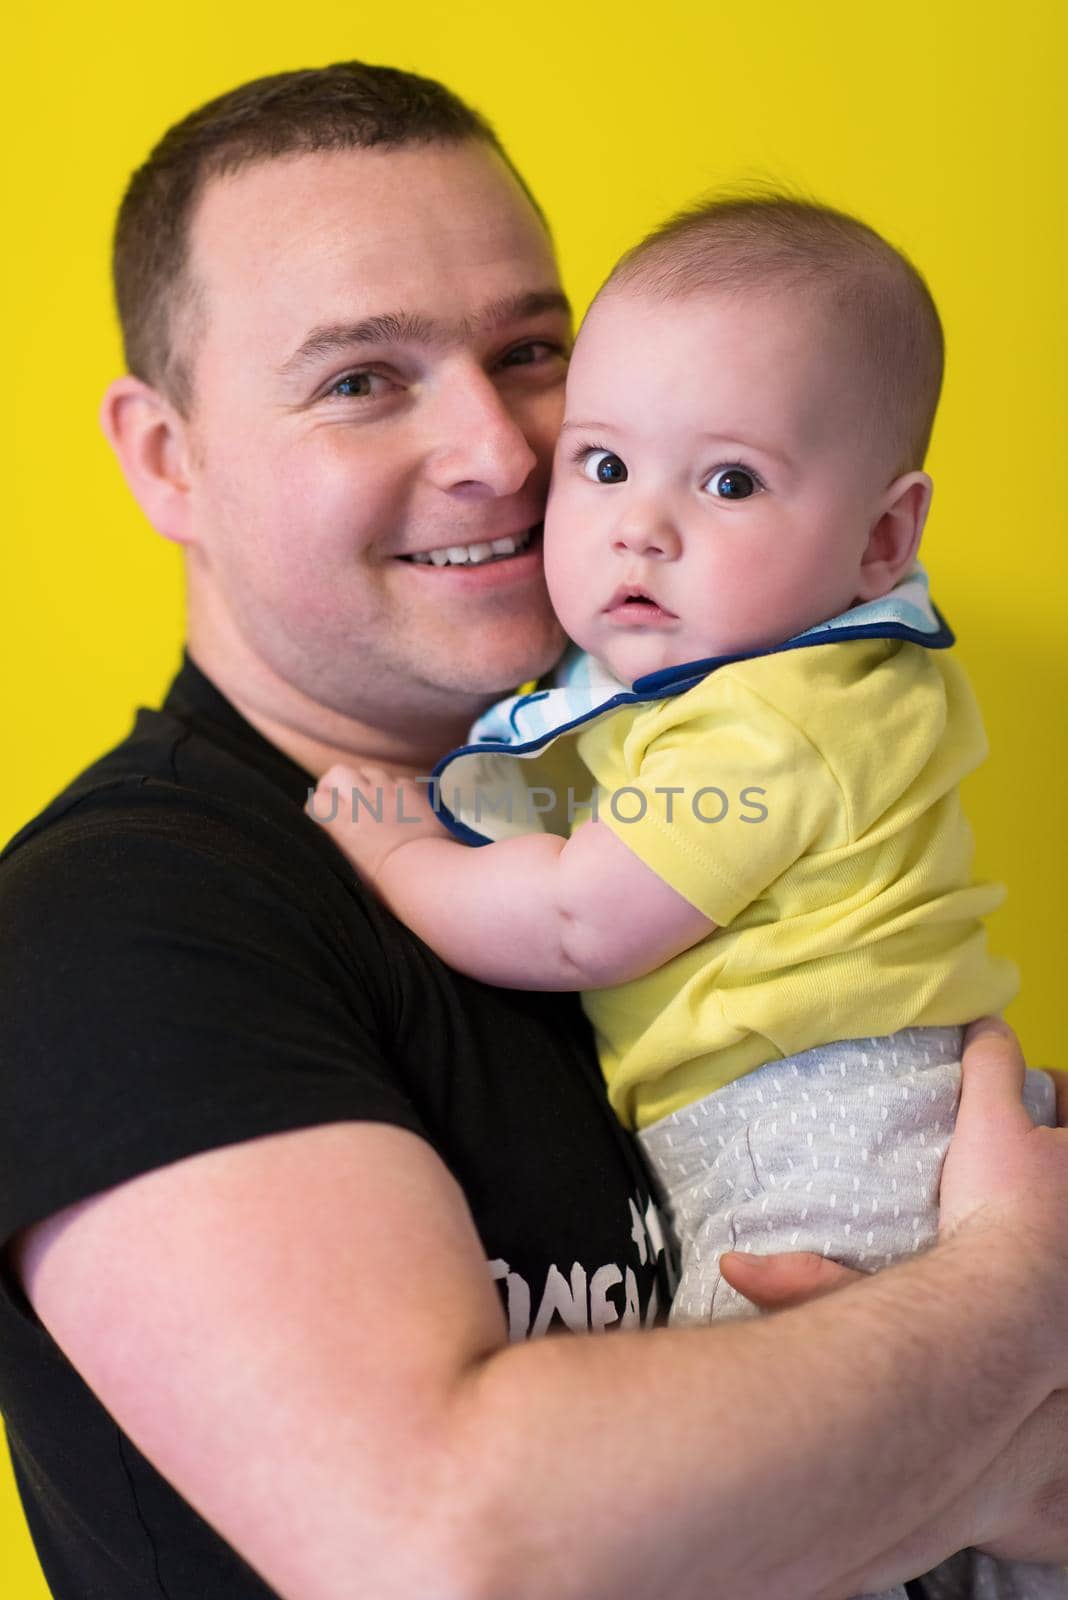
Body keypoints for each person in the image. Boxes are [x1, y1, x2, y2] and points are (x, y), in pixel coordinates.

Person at [0, 61, 1066, 1600]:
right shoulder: (126, 923)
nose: (503, 453)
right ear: (169, 457)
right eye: (362, 378)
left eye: (532, 349)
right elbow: (452, 1547)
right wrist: (1014, 1319)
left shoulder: (686, 776)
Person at [309, 194, 1066, 1600]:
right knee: (952, 1498)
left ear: (881, 540)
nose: (639, 530)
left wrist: (390, 838)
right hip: (860, 1099)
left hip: (820, 1128)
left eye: (727, 484)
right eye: (600, 465)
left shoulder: (772, 722)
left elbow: (582, 920)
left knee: (767, 1485)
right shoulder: (757, 689)